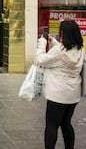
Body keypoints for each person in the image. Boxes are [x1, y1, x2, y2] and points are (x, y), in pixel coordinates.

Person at [36, 20, 84, 149]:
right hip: (73, 95)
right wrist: (53, 41)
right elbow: (65, 51)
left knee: (51, 125)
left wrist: (42, 43)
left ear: (63, 34)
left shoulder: (57, 51)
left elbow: (41, 60)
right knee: (66, 124)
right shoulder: (80, 49)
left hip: (57, 94)